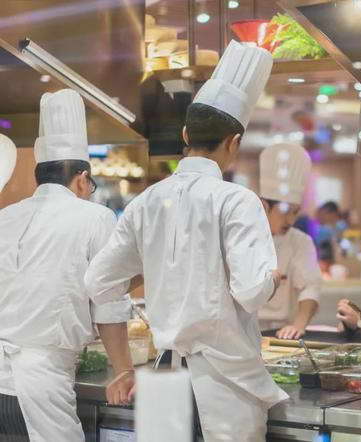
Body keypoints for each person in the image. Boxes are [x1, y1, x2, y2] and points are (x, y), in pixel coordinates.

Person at [85, 41, 288, 442]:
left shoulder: (146, 201)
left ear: (184, 135)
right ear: (234, 142)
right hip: (226, 382)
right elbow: (251, 292)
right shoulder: (238, 200)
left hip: (164, 376)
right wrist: (272, 279)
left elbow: (97, 283)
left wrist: (152, 269)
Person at [0, 90, 134, 441]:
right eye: (90, 185)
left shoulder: (6, 217)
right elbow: (108, 303)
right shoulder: (95, 217)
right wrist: (124, 370)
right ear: (82, 179)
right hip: (40, 386)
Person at [258, 143, 322, 340]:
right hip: (243, 333)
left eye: (295, 212)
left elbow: (310, 286)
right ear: (264, 206)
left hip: (282, 334)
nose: (291, 220)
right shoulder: (240, 239)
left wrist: (298, 325)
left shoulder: (301, 242)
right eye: (285, 211)